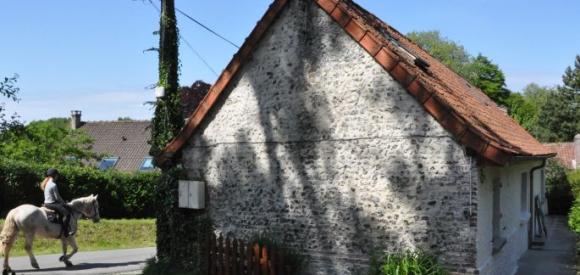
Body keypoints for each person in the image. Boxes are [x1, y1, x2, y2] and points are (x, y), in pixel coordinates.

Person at [40, 168, 70, 237]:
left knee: (61, 211)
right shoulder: (53, 185)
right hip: (52, 204)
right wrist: (64, 203)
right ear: (54, 175)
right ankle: (65, 232)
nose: (57, 177)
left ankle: (59, 223)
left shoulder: (46, 183)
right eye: (57, 175)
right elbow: (57, 198)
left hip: (47, 203)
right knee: (67, 214)